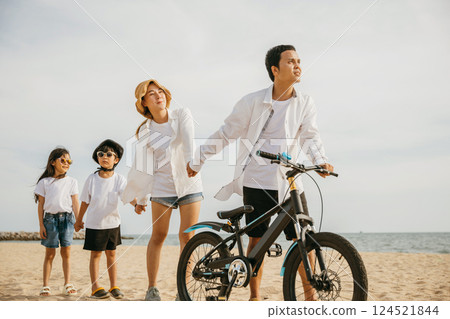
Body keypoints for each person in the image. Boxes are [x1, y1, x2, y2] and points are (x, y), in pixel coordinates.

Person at [187, 44, 334, 301]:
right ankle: (254, 298)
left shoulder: (305, 102)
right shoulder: (253, 102)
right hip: (257, 179)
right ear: (275, 70)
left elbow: (310, 136)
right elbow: (226, 134)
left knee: (304, 239)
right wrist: (198, 159)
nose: (298, 65)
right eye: (291, 61)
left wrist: (320, 160)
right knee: (257, 241)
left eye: (299, 60)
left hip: (290, 181)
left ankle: (310, 299)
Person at [121, 79, 203, 301]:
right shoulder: (146, 132)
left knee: (187, 237)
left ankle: (183, 289)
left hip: (189, 183)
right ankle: (152, 289)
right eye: (151, 94)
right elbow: (144, 170)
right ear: (144, 103)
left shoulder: (182, 114)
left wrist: (191, 163)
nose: (159, 95)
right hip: (162, 186)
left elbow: (188, 141)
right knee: (158, 236)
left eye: (161, 91)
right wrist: (140, 199)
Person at [74, 139, 132, 299]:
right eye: (101, 154)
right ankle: (95, 287)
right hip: (95, 224)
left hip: (113, 223)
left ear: (116, 159)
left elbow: (126, 196)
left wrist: (136, 205)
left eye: (109, 154)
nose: (104, 157)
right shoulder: (92, 179)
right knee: (96, 255)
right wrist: (79, 220)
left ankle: (114, 285)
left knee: (112, 254)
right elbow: (85, 201)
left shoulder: (119, 179)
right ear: (97, 158)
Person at [34, 147, 79, 297]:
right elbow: (40, 205)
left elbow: (75, 203)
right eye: (63, 160)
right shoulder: (44, 182)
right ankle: (45, 285)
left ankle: (67, 283)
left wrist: (78, 221)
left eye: (69, 161)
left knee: (66, 253)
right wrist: (41, 225)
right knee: (50, 254)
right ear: (53, 162)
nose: (66, 163)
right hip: (50, 220)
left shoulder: (72, 181)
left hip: (67, 219)